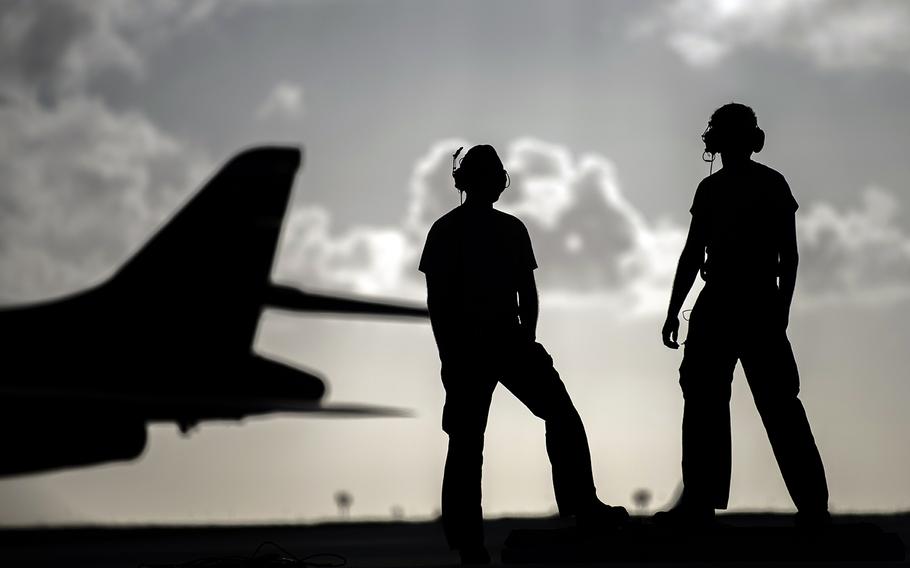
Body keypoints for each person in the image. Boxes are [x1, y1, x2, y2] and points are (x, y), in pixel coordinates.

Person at [419, 144, 627, 564]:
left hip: (492, 345)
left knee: (471, 442)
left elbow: (451, 302)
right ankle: (577, 508)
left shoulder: (462, 230)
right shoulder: (491, 230)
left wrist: (515, 342)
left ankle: (472, 543)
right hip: (492, 345)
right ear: (491, 181)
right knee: (497, 434)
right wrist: (517, 342)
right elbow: (508, 296)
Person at [658, 103, 829, 527]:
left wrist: (781, 309)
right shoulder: (727, 188)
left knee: (760, 404)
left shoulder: (754, 186)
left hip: (745, 303)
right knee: (714, 401)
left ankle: (807, 506)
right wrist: (675, 308)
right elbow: (695, 252)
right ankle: (709, 502)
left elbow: (787, 255)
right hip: (736, 304)